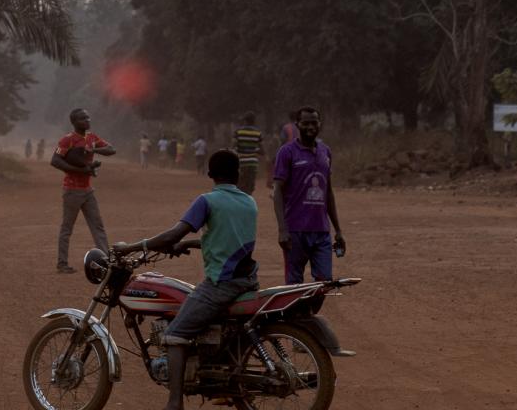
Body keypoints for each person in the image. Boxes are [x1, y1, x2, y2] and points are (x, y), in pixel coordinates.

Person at [114, 150, 259, 410]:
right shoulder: (249, 202)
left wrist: (131, 248)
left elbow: (172, 234)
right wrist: (189, 244)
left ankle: (174, 402)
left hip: (220, 285)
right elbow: (227, 239)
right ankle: (221, 384)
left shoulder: (207, 201)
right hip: (247, 280)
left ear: (209, 174)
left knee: (174, 334)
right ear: (237, 174)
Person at [268, 106, 353, 356]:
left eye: (314, 122)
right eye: (305, 123)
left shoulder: (326, 152)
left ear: (320, 124)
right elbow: (278, 192)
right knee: (293, 286)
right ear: (297, 124)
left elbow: (328, 192)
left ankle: (303, 321)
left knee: (324, 282)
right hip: (294, 231)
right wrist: (282, 229)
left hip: (321, 232)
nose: (310, 127)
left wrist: (338, 229)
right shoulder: (287, 152)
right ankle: (297, 335)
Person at [51, 108, 115, 273]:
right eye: (82, 118)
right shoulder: (68, 140)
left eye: (88, 117)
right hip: (72, 190)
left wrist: (93, 150)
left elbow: (111, 149)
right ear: (74, 122)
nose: (87, 120)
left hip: (87, 190)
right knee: (67, 228)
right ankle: (62, 264)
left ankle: (106, 261)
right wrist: (78, 170)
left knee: (97, 226)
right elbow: (55, 160)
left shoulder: (92, 138)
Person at [233, 114, 264, 194]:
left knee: (240, 186)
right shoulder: (258, 133)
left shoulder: (238, 132)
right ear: (254, 121)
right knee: (250, 188)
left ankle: (239, 204)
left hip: (241, 163)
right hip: (252, 163)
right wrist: (254, 149)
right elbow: (262, 151)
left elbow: (234, 147)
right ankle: (247, 203)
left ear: (245, 120)